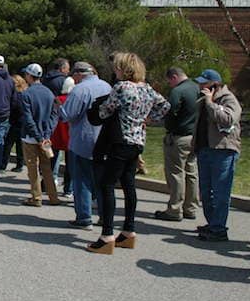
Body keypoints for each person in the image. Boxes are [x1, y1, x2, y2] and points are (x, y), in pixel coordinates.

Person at [88, 52, 169, 254]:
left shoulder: (122, 87)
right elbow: (165, 106)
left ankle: (107, 235)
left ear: (123, 69)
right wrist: (148, 119)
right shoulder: (147, 88)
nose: (114, 71)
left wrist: (97, 110)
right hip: (137, 141)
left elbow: (105, 111)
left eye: (117, 67)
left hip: (120, 139)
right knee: (128, 185)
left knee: (106, 185)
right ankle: (128, 231)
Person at [59, 62, 112, 229]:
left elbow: (68, 115)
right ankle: (105, 216)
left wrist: (59, 107)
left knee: (82, 180)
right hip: (104, 140)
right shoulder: (107, 87)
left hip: (83, 140)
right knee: (103, 182)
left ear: (79, 74)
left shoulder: (80, 90)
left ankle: (84, 217)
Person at [193, 68, 242, 242]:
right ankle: (213, 223)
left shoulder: (228, 99)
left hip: (223, 151)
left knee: (220, 192)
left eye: (204, 83)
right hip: (205, 149)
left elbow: (228, 119)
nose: (200, 86)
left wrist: (210, 102)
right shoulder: (204, 100)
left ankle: (219, 228)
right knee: (206, 192)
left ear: (215, 84)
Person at [155, 67, 200, 222]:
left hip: (178, 137)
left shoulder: (178, 91)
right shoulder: (197, 88)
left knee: (175, 173)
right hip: (193, 136)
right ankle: (191, 207)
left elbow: (170, 111)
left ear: (174, 77)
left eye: (170, 81)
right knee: (191, 172)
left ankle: (174, 209)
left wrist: (167, 124)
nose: (170, 84)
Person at [20, 63, 60, 206]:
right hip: (45, 137)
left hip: (31, 137)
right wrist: (46, 134)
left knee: (32, 168)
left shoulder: (26, 94)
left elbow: (28, 118)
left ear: (30, 76)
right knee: (47, 168)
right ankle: (53, 197)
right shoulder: (49, 93)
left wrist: (37, 137)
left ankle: (36, 197)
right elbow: (55, 115)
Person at [50, 76, 74, 196]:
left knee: (53, 160)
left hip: (56, 133)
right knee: (70, 164)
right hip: (69, 135)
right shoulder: (73, 100)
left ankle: (51, 183)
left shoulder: (57, 99)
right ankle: (68, 189)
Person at [2, 73, 28, 172]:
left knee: (8, 143)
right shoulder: (25, 93)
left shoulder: (17, 95)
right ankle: (19, 164)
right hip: (23, 121)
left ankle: (3, 164)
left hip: (16, 121)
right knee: (19, 145)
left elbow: (14, 107)